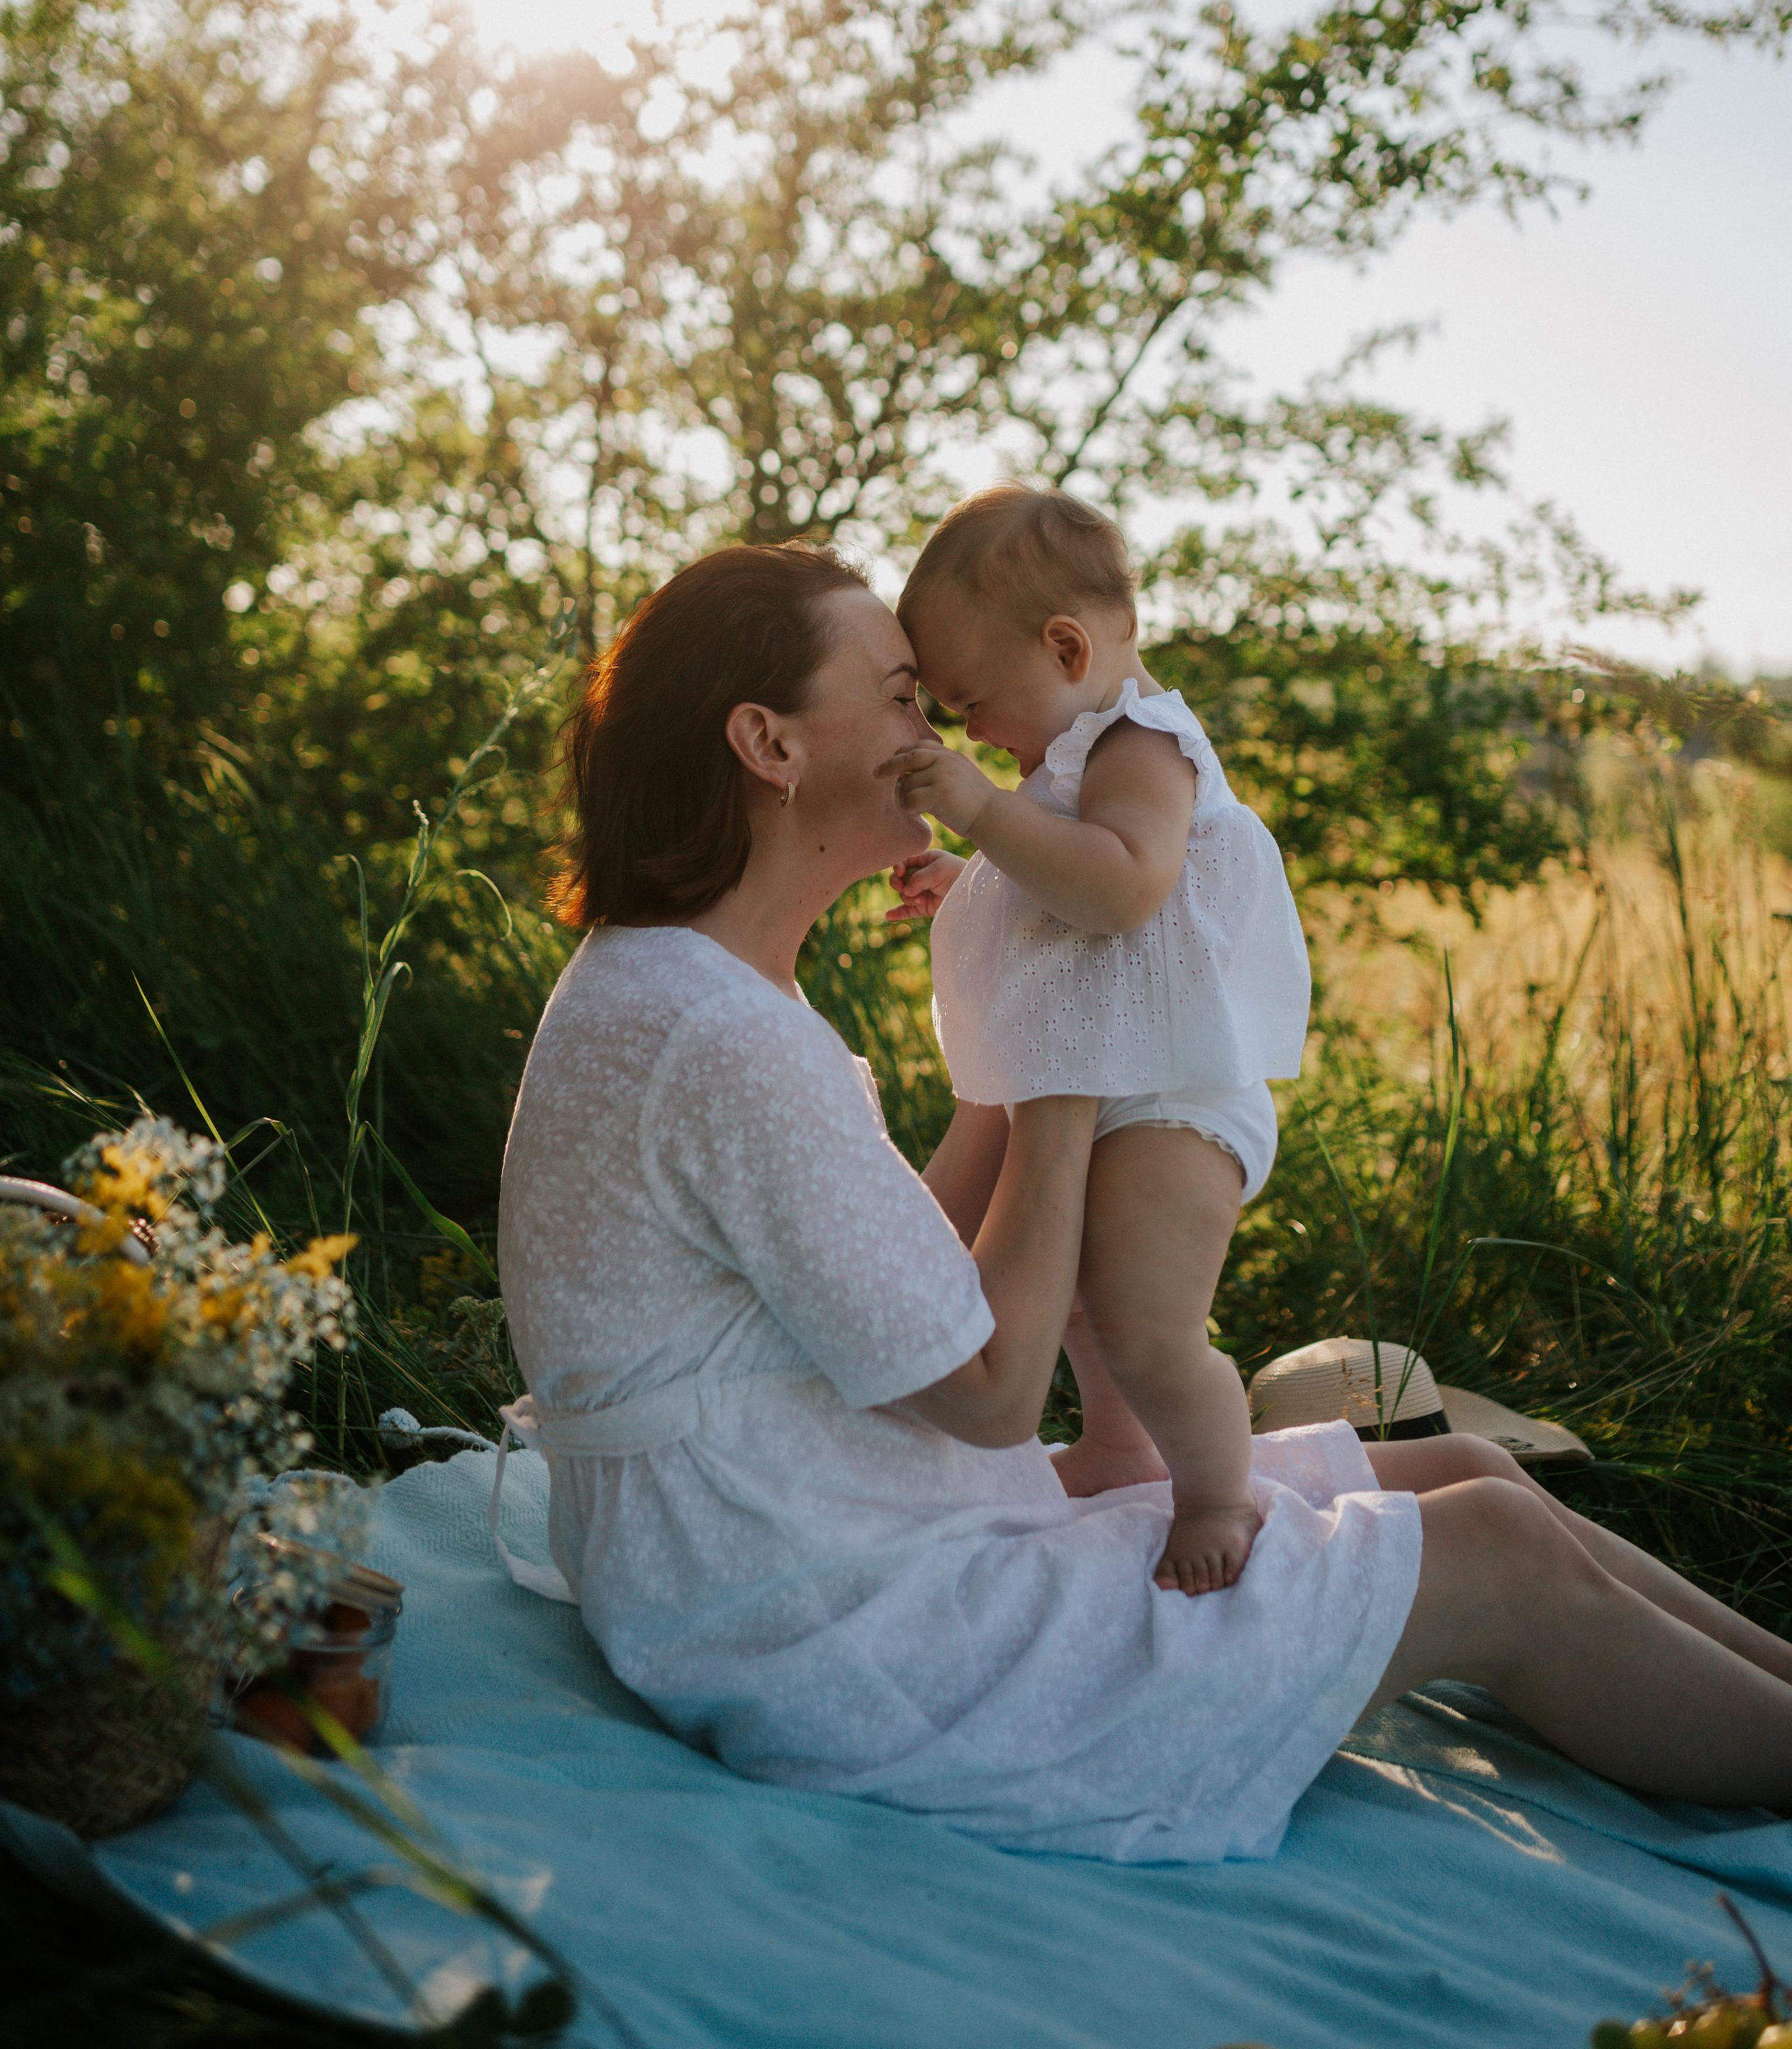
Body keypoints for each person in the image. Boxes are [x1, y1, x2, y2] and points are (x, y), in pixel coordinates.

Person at [497, 539, 1792, 1864]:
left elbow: (918, 1279)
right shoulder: (715, 1036)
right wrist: (1067, 1064)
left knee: (1469, 1468)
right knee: (1497, 1551)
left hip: (819, 1545)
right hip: (848, 1634)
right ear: (768, 744)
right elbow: (999, 1389)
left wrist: (1021, 1051)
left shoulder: (689, 993)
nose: (933, 729)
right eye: (895, 696)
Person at [885, 484, 1306, 1596]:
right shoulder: (1066, 760)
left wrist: (978, 812)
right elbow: (1055, 876)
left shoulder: (1140, 742)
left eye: (972, 702)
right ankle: (1121, 1450)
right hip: (1115, 1077)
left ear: (1066, 647)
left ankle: (1218, 1491)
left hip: (1177, 1091)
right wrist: (970, 877)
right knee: (1071, 1293)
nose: (969, 733)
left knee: (1144, 1312)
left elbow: (1121, 890)